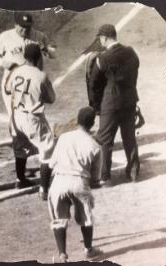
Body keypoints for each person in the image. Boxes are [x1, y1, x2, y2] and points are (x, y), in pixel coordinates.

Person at [48, 106, 103, 262]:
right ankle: (88, 250)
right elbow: (95, 179)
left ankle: (62, 255)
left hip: (58, 181)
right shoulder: (95, 146)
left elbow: (50, 164)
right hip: (79, 181)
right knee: (86, 218)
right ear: (92, 124)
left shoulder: (63, 137)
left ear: (77, 120)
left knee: (58, 220)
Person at [88, 24, 140, 186]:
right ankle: (133, 173)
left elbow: (94, 84)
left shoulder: (102, 58)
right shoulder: (131, 52)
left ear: (104, 38)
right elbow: (135, 72)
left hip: (111, 103)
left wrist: (96, 106)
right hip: (130, 99)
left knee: (105, 140)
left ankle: (105, 176)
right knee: (129, 137)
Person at [4, 43, 55, 200]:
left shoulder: (15, 71)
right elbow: (51, 99)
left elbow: (7, 89)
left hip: (16, 116)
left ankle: (20, 179)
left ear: (25, 57)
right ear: (39, 58)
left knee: (20, 147)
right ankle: (44, 189)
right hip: (32, 118)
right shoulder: (41, 75)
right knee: (47, 149)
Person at [0, 12, 56, 115]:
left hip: (33, 83)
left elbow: (54, 54)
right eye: (22, 26)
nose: (25, 30)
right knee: (14, 116)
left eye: (28, 27)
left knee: (34, 115)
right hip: (13, 83)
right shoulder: (5, 37)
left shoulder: (39, 36)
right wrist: (2, 62)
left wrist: (45, 49)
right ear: (16, 24)